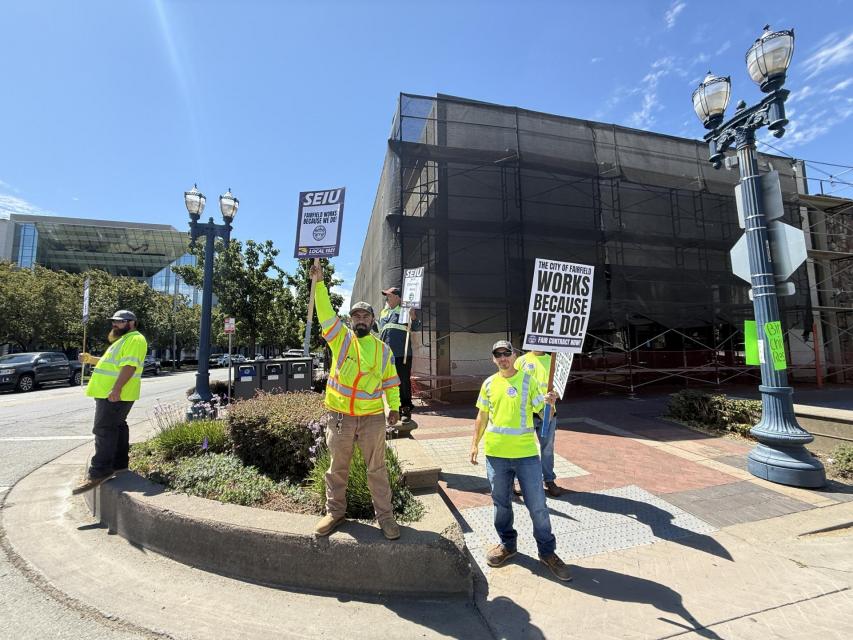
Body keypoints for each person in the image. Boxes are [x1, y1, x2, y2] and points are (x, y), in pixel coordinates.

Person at [310, 263, 403, 540]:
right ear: (351, 320)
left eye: (365, 315)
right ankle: (335, 513)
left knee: (377, 469)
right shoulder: (341, 339)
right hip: (340, 417)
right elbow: (325, 313)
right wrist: (320, 284)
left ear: (373, 320)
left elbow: (390, 382)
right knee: (337, 468)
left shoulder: (384, 350)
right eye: (356, 315)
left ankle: (385, 517)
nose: (360, 319)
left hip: (373, 418)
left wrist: (395, 407)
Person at [470, 340, 572, 581]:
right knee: (501, 504)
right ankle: (508, 545)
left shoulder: (529, 381)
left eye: (507, 353)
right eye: (498, 354)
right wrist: (475, 443)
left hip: (526, 455)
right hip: (496, 456)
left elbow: (543, 411)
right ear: (493, 359)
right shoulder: (488, 384)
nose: (503, 358)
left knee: (537, 506)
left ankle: (547, 552)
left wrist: (550, 402)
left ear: (515, 355)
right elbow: (482, 415)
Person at [72, 310, 148, 495]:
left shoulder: (135, 339)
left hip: (115, 394)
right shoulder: (122, 340)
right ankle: (119, 464)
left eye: (119, 322)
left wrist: (117, 389)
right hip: (112, 393)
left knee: (104, 429)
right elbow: (111, 364)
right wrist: (90, 359)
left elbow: (129, 366)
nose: (115, 325)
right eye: (114, 321)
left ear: (131, 323)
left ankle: (100, 471)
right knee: (118, 426)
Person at [514, 350, 566, 497]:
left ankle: (549, 480)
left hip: (548, 412)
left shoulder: (553, 359)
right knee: (522, 448)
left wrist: (555, 394)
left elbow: (559, 383)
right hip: (527, 412)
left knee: (547, 448)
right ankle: (518, 480)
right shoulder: (521, 361)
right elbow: (515, 383)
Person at [378, 285, 421, 423]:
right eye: (386, 296)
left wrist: (413, 318)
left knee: (403, 383)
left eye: (389, 295)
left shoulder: (405, 311)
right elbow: (379, 329)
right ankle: (388, 410)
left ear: (398, 297)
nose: (387, 298)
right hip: (385, 355)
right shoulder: (384, 312)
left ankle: (405, 410)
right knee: (385, 383)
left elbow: (415, 327)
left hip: (402, 354)